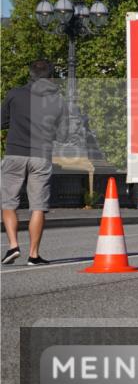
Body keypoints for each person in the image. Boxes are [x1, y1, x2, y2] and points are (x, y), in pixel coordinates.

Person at [1, 59, 67, 265]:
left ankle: (13, 246)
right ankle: (33, 255)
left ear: (31, 75)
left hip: (14, 153)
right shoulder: (58, 100)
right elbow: (64, 136)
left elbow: (2, 122)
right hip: (41, 156)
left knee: (8, 202)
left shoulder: (14, 94)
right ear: (51, 76)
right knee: (38, 206)